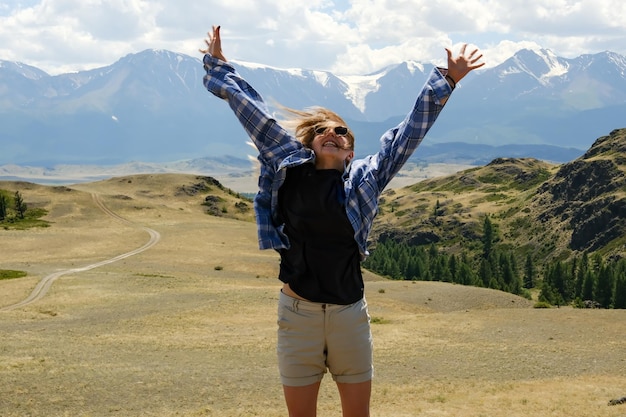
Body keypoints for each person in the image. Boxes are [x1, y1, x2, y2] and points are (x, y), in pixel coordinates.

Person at [200, 25, 484, 417]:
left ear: (350, 151)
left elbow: (407, 135)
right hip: (297, 316)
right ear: (311, 141)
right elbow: (253, 113)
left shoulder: (366, 178)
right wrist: (219, 68)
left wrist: (447, 80)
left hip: (349, 316)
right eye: (322, 130)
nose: (331, 132)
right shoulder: (288, 162)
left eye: (341, 131)